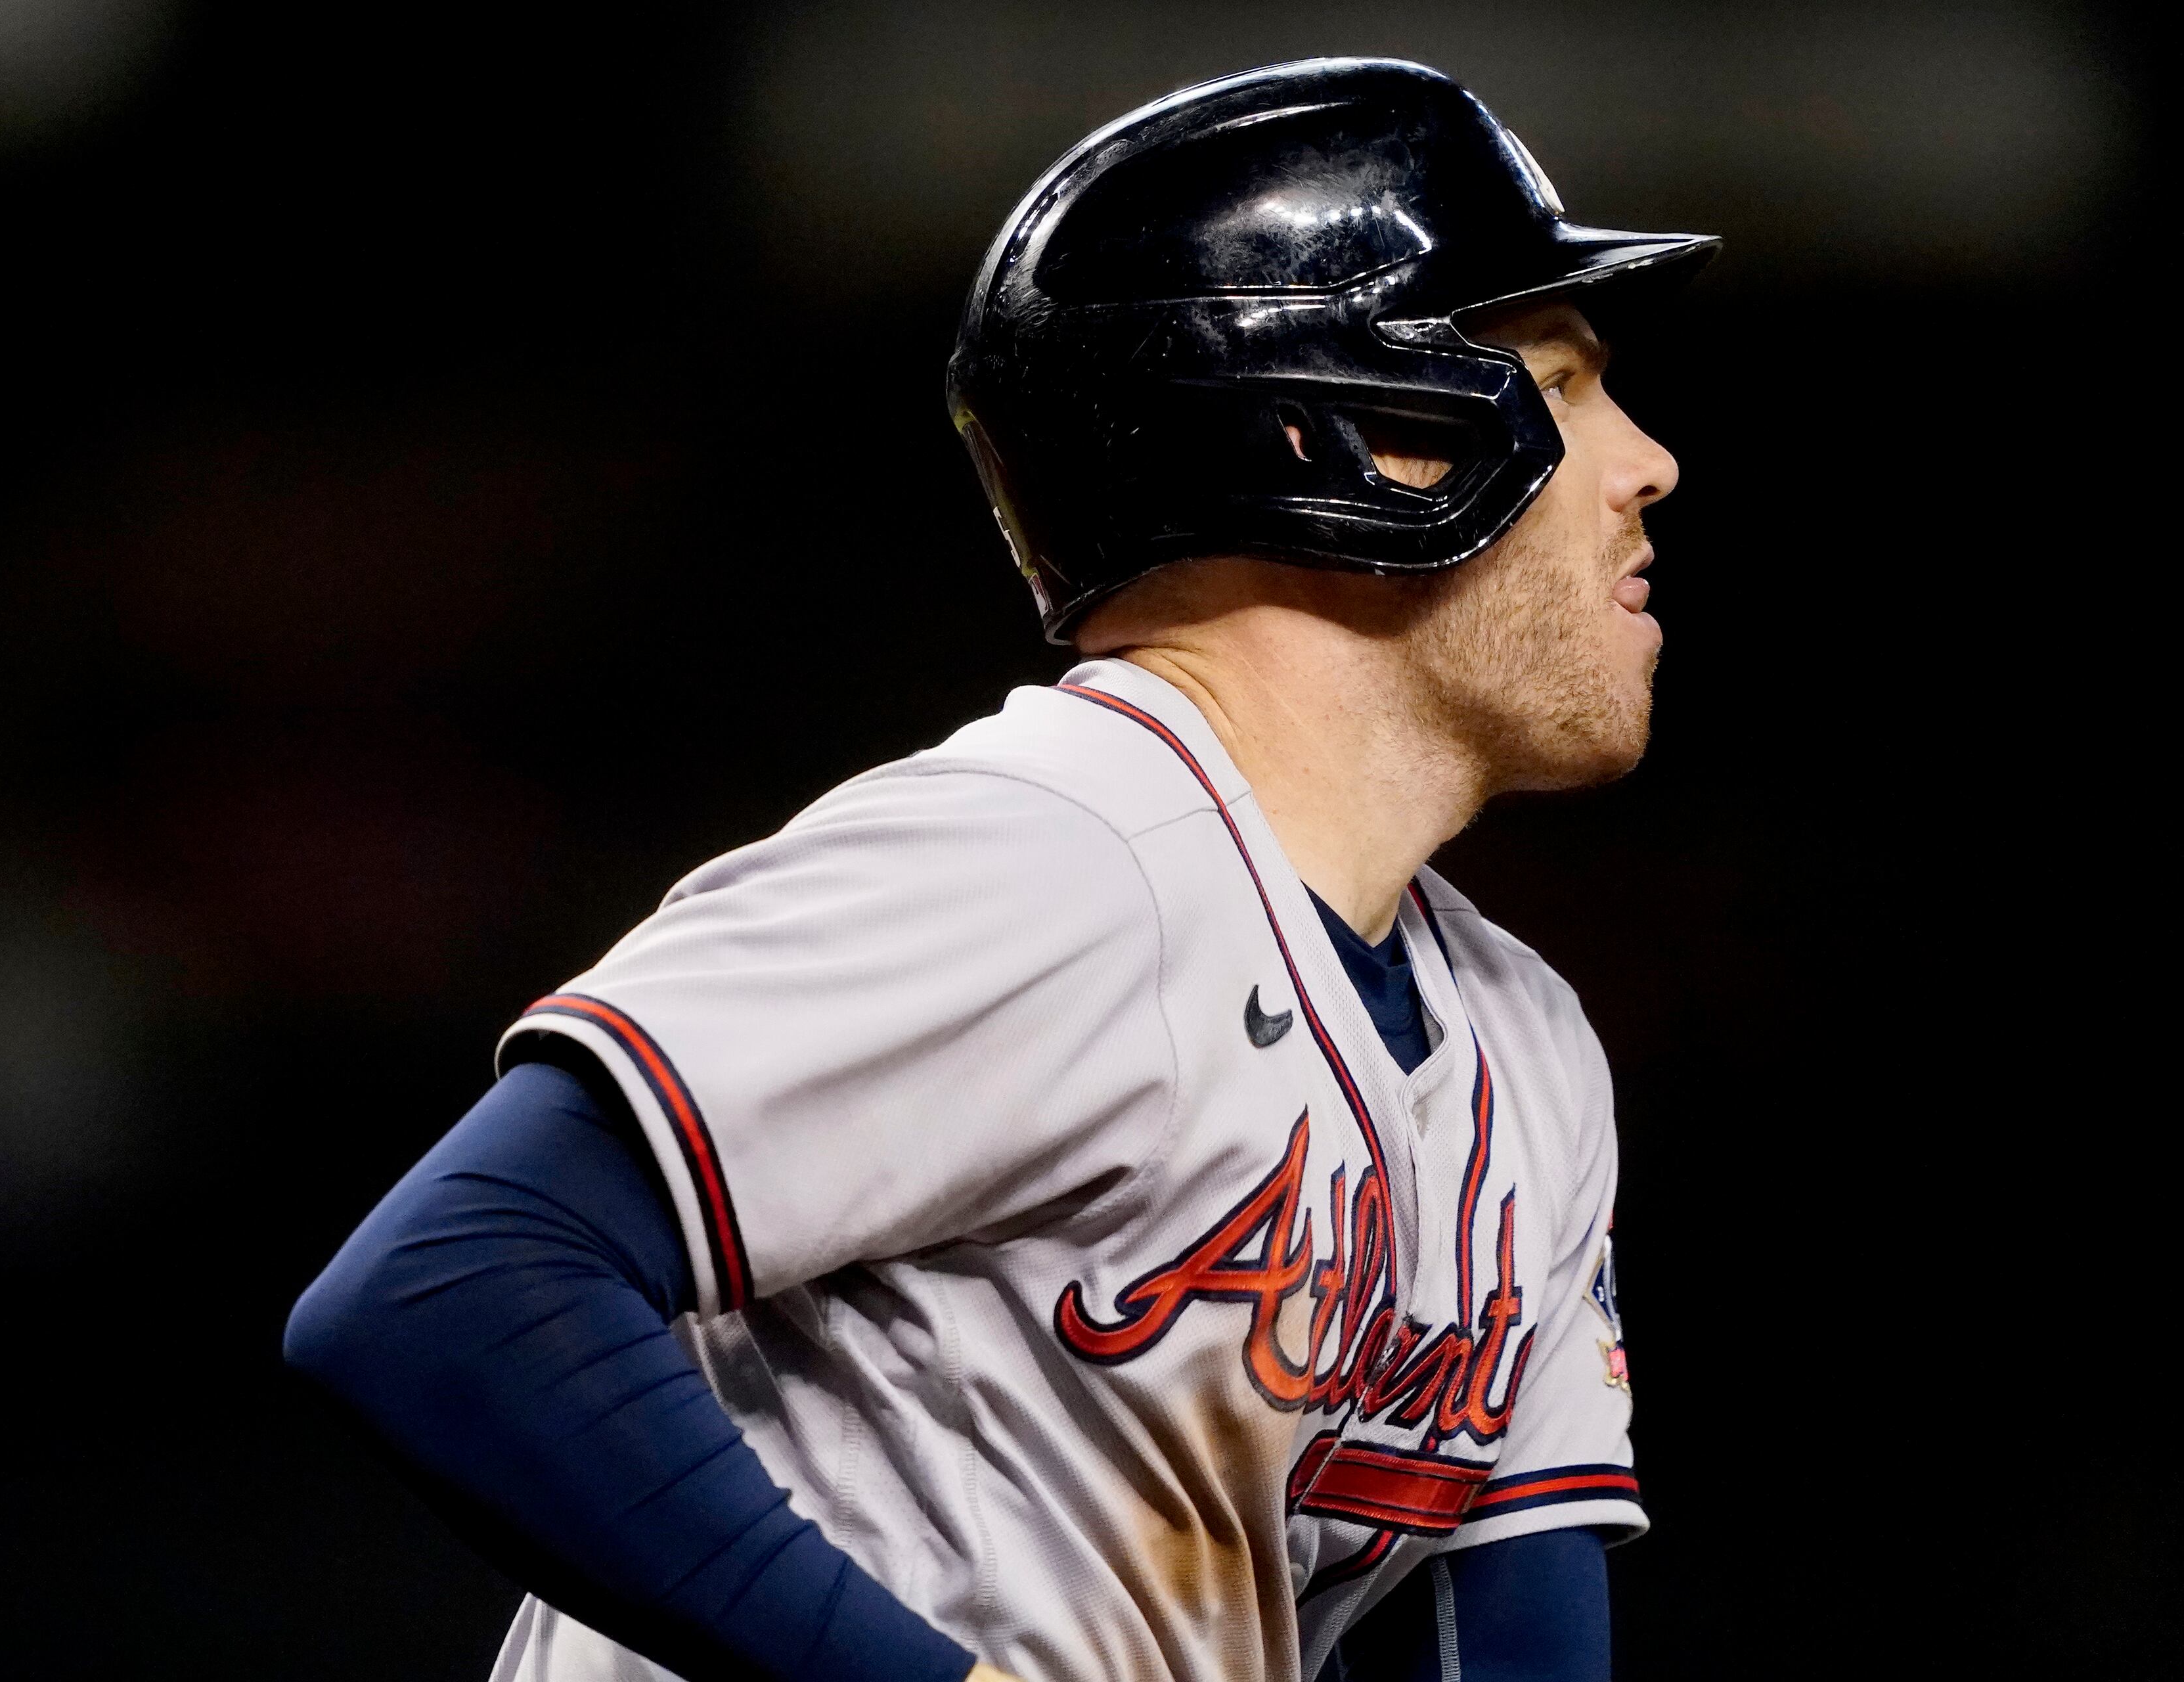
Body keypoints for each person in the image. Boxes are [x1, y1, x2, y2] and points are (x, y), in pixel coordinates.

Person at [286, 57, 1714, 1682]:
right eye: (1562, 374)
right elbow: (450, 1286)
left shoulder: (1523, 1051)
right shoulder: (1055, 850)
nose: (1645, 459)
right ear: (1351, 437)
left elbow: (1511, 1632)